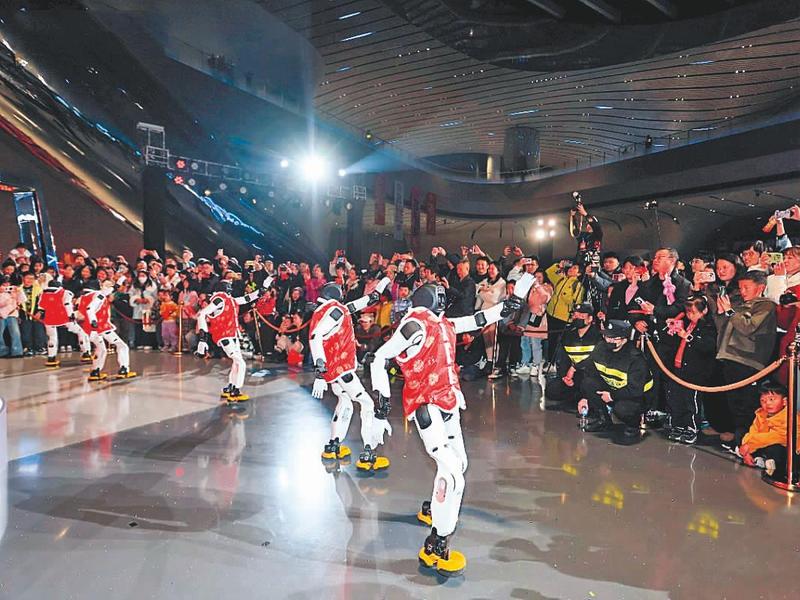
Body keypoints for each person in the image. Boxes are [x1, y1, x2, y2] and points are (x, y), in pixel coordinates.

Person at [369, 275, 530, 577]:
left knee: (460, 464)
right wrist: (380, 406)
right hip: (426, 403)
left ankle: (435, 508)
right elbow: (379, 357)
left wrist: (510, 304)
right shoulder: (414, 325)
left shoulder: (443, 324)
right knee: (453, 473)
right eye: (439, 295)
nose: (444, 298)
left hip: (448, 400)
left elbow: (477, 319)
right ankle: (437, 541)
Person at [310, 278, 391, 471]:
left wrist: (380, 287)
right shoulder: (336, 310)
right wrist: (319, 372)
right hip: (341, 369)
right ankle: (368, 453)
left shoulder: (328, 310)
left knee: (345, 402)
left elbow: (364, 302)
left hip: (334, 371)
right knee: (367, 404)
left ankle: (333, 445)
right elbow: (315, 336)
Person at [713, 270, 777, 447]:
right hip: (730, 357)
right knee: (734, 401)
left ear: (760, 288)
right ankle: (739, 439)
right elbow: (722, 328)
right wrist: (721, 313)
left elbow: (749, 327)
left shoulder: (766, 306)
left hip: (748, 360)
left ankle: (748, 442)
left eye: (746, 287)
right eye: (741, 287)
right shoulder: (740, 305)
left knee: (746, 404)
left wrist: (730, 311)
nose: (742, 291)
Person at [577, 319, 654, 445]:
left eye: (614, 338)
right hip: (613, 388)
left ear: (624, 339)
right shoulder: (600, 348)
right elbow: (590, 371)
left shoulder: (635, 359)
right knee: (588, 383)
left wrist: (612, 396)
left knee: (622, 409)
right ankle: (603, 420)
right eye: (607, 337)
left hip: (638, 397)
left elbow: (635, 391)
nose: (609, 341)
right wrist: (585, 398)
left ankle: (633, 425)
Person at [195, 277, 272, 402]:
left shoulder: (230, 300)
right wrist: (202, 339)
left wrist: (264, 286)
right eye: (228, 285)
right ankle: (236, 390)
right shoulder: (220, 299)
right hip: (224, 336)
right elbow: (201, 314)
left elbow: (248, 298)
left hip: (232, 335)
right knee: (240, 363)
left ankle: (230, 387)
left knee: (237, 363)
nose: (230, 287)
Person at [659, 296, 717, 444]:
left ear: (704, 311)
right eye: (688, 312)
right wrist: (671, 329)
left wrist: (687, 336)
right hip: (678, 368)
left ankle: (692, 428)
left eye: (693, 312)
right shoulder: (686, 323)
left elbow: (708, 347)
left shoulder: (708, 326)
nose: (690, 315)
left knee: (691, 402)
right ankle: (678, 425)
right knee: (676, 399)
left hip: (695, 372)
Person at [544, 303, 601, 412]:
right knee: (552, 390)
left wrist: (574, 368)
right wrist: (565, 377)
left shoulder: (598, 336)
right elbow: (564, 358)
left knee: (588, 387)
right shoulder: (568, 335)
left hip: (591, 375)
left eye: (582, 315)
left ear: (590, 319)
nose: (577, 318)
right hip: (574, 375)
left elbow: (596, 359)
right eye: (575, 315)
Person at [77, 278, 137, 381]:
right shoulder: (98, 295)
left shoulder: (83, 297)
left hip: (88, 329)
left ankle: (95, 371)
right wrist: (93, 321)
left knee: (101, 349)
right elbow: (90, 308)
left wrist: (119, 282)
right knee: (122, 346)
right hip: (101, 327)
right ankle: (124, 369)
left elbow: (109, 291)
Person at [738, 381, 799, 480]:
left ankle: (775, 468)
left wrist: (749, 446)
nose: (767, 403)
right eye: (763, 400)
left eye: (771, 399)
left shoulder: (790, 416)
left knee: (775, 448)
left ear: (784, 401)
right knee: (740, 433)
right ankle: (759, 459)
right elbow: (753, 432)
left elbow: (778, 436)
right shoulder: (761, 414)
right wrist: (746, 452)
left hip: (790, 453)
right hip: (762, 445)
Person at [37, 278, 92, 367]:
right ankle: (86, 353)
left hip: (49, 319)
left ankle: (51, 358)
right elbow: (67, 304)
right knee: (81, 333)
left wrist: (40, 314)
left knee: (52, 338)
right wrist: (71, 316)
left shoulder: (43, 294)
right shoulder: (65, 292)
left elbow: (41, 307)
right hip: (64, 318)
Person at [545, 259, 585, 364]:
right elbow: (549, 272)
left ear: (579, 273)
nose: (571, 269)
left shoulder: (578, 285)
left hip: (564, 317)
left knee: (563, 342)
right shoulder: (561, 279)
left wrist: (564, 294)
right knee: (551, 340)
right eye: (571, 267)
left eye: (575, 268)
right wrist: (559, 265)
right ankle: (550, 362)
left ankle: (562, 364)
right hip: (551, 314)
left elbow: (576, 302)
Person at [0, 277, 24, 358]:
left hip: (12, 315)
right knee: (0, 335)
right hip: (1, 316)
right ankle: (2, 352)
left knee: (15, 333)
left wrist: (19, 292)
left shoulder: (13, 291)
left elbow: (22, 300)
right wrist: (10, 297)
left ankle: (17, 352)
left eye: (8, 284)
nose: (6, 286)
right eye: (4, 284)